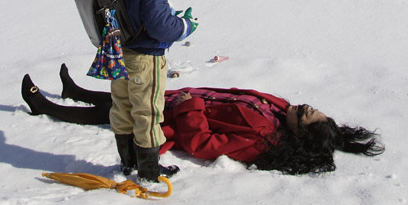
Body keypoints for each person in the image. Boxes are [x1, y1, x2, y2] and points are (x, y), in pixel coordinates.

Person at [22, 64, 384, 176]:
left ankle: (48, 108)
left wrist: (190, 104)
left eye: (306, 114)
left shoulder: (260, 139)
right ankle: (75, 90)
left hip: (174, 116)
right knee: (126, 96)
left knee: (116, 112)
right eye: (311, 107)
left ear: (299, 133)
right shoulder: (278, 109)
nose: (303, 106)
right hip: (181, 99)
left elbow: (202, 144)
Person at [106, 0, 198, 181]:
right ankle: (149, 170)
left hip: (119, 52)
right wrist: (185, 26)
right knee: (148, 112)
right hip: (145, 60)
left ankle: (128, 162)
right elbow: (160, 28)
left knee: (123, 107)